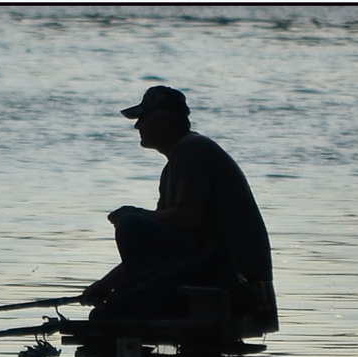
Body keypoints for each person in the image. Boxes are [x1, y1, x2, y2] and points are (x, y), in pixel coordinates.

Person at [82, 86, 277, 334]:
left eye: (143, 119)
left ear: (164, 121)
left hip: (235, 279)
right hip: (210, 266)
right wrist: (104, 285)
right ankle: (137, 295)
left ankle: (141, 295)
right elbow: (159, 244)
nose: (137, 126)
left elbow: (190, 220)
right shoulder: (178, 160)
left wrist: (138, 215)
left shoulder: (191, 151)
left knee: (131, 225)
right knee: (106, 312)